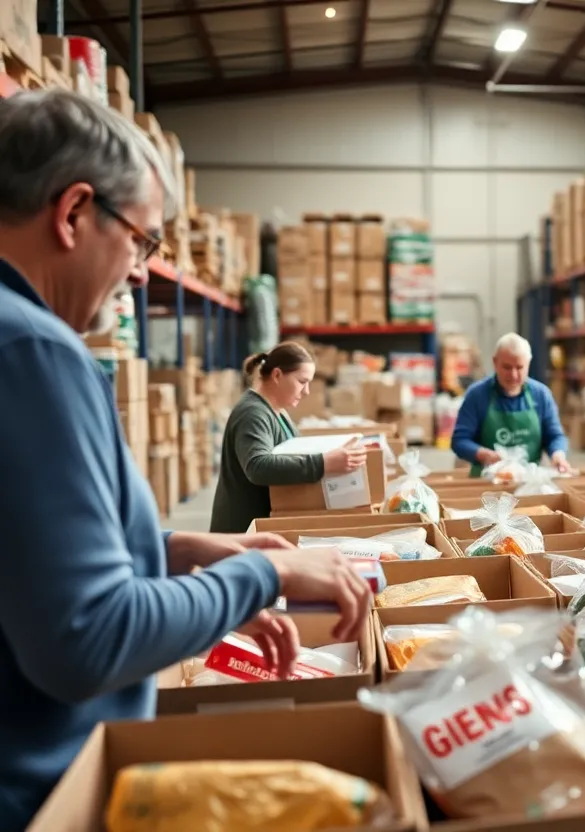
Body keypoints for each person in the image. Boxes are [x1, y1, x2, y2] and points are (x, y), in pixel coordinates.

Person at [0, 89, 371, 830]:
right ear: (73, 213)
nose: (142, 273)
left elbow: (24, 560)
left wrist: (170, 551)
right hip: (35, 793)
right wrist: (258, 574)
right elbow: (87, 639)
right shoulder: (32, 351)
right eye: (143, 241)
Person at [209, 343, 368, 533]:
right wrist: (323, 464)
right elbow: (258, 467)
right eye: (302, 381)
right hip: (243, 533)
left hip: (264, 530)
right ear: (277, 375)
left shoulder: (277, 411)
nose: (307, 391)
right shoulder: (253, 413)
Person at [452, 332, 571, 476]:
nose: (514, 375)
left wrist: (558, 454)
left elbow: (555, 435)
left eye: (520, 367)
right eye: (507, 368)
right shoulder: (477, 395)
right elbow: (459, 441)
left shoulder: (541, 395)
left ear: (529, 363)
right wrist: (484, 455)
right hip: (486, 482)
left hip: (528, 481)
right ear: (495, 362)